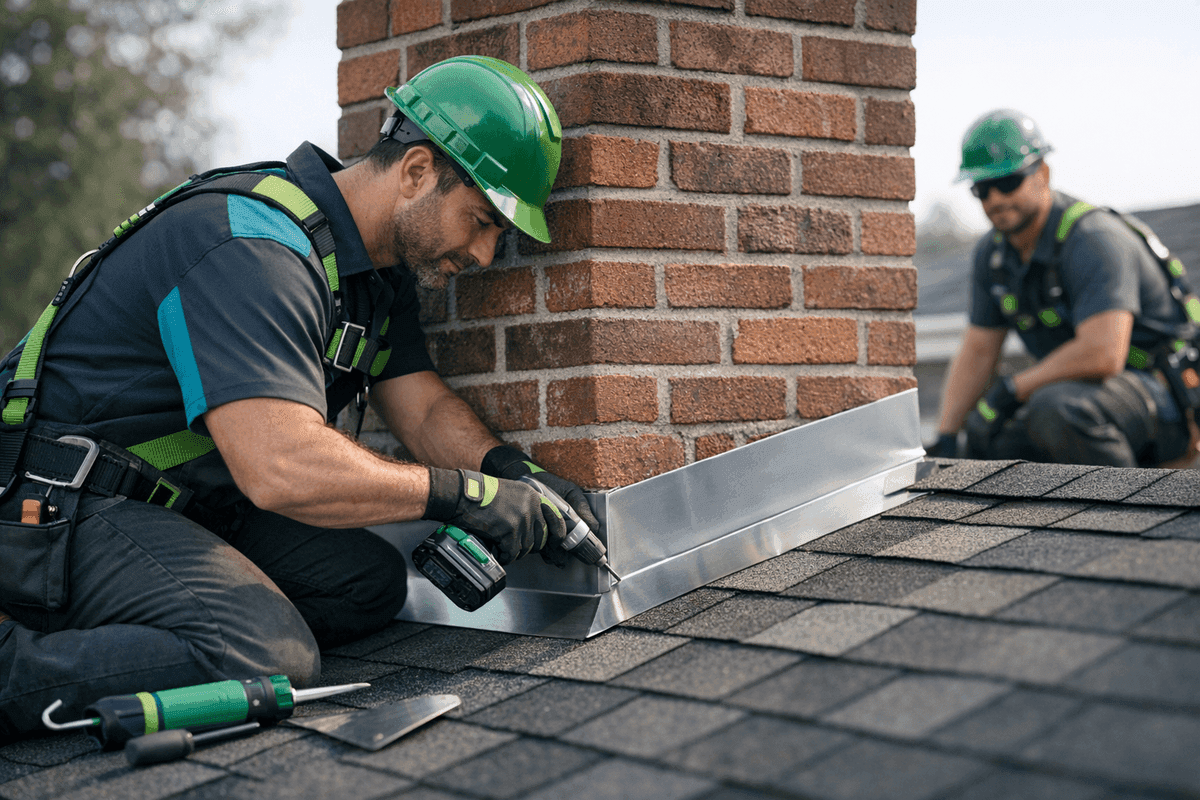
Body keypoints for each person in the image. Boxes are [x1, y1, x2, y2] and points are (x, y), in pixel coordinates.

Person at [0, 56, 596, 738]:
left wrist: (513, 474)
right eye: (482, 220)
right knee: (261, 656)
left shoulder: (372, 278)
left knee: (365, 584)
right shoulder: (251, 246)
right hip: (56, 502)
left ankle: (138, 629)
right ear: (417, 172)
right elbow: (279, 466)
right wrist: (464, 497)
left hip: (180, 505)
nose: (487, 254)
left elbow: (423, 408)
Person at [928, 109, 1198, 466]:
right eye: (981, 189)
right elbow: (979, 350)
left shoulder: (1093, 239)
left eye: (1007, 182)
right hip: (1094, 395)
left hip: (1166, 398)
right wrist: (947, 438)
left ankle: (1127, 514)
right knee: (993, 440)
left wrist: (1011, 390)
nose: (994, 199)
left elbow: (1103, 354)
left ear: (1042, 174)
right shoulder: (992, 255)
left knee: (1056, 409)